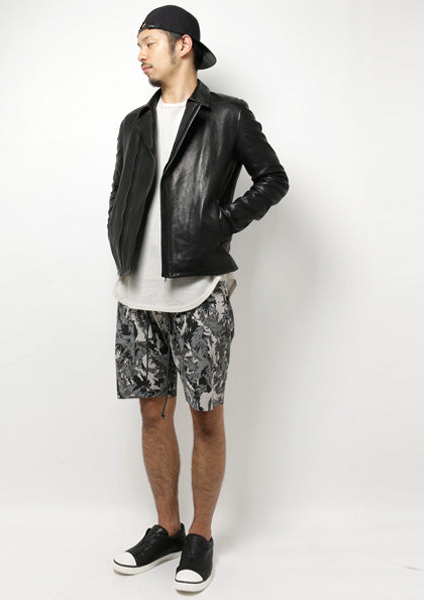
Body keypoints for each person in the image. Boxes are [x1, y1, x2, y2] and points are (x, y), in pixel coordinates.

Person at [108, 5, 289, 592]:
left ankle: (201, 537)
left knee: (206, 416)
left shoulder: (227, 115)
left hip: (200, 292)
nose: (140, 54)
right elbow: (120, 191)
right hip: (136, 294)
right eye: (139, 44)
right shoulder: (134, 123)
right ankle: (167, 528)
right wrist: (117, 237)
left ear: (182, 45)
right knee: (152, 413)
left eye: (149, 42)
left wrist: (220, 224)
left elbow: (273, 179)